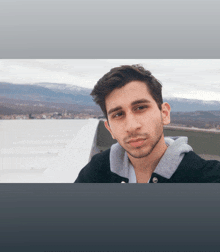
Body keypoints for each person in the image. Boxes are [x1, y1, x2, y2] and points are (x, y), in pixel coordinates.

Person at [74, 64, 220, 183]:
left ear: (164, 114)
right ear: (110, 129)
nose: (131, 126)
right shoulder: (96, 172)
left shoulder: (207, 177)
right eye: (118, 114)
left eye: (141, 108)